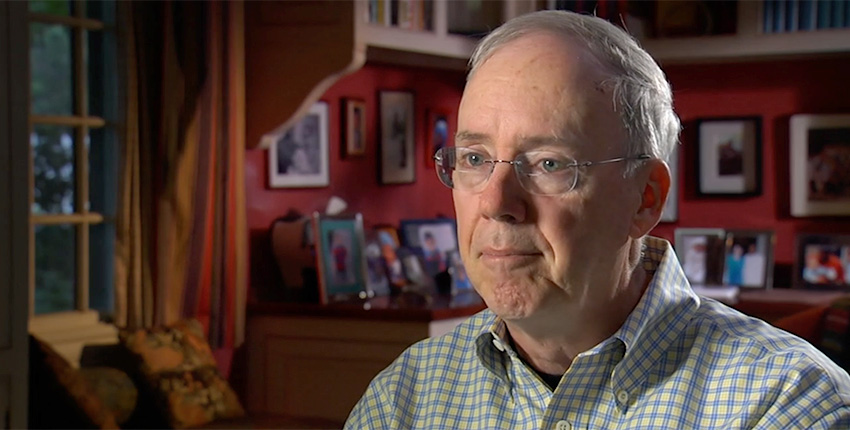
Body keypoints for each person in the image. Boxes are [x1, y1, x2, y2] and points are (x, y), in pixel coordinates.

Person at [345, 10, 850, 429]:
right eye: (475, 159)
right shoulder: (403, 400)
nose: (497, 202)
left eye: (548, 164)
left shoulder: (788, 404)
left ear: (645, 199)